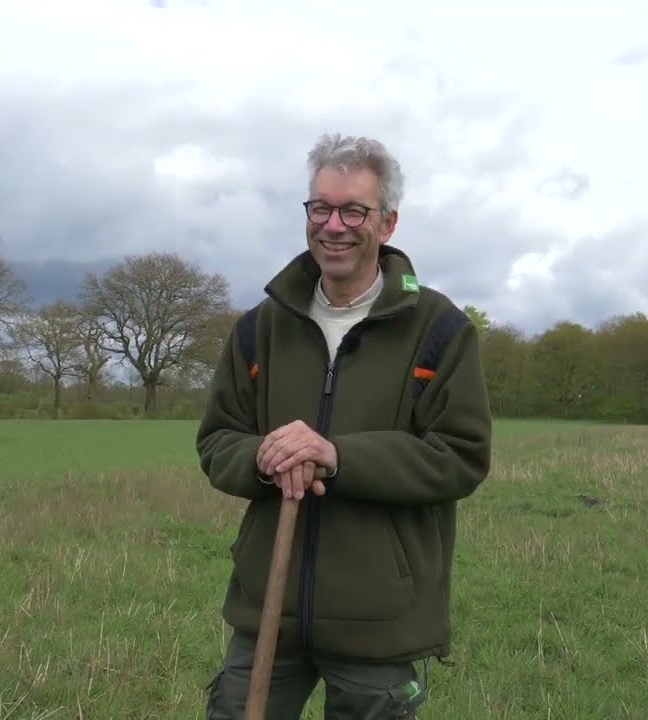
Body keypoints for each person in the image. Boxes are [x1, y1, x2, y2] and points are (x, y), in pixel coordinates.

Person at [196, 132, 493, 719]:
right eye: (320, 208)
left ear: (387, 223)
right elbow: (217, 440)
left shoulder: (439, 328)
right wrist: (265, 457)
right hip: (268, 614)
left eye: (353, 210)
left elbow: (460, 456)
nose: (334, 225)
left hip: (379, 620)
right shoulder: (260, 328)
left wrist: (337, 455)